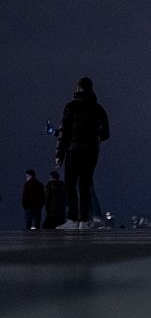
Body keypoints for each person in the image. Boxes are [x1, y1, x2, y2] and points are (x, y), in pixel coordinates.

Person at [55, 77, 110, 230]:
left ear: (78, 89)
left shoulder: (71, 107)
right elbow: (106, 134)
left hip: (73, 150)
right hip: (92, 152)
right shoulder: (99, 109)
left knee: (70, 184)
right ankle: (83, 220)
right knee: (85, 185)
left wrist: (59, 154)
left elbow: (64, 132)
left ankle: (72, 218)